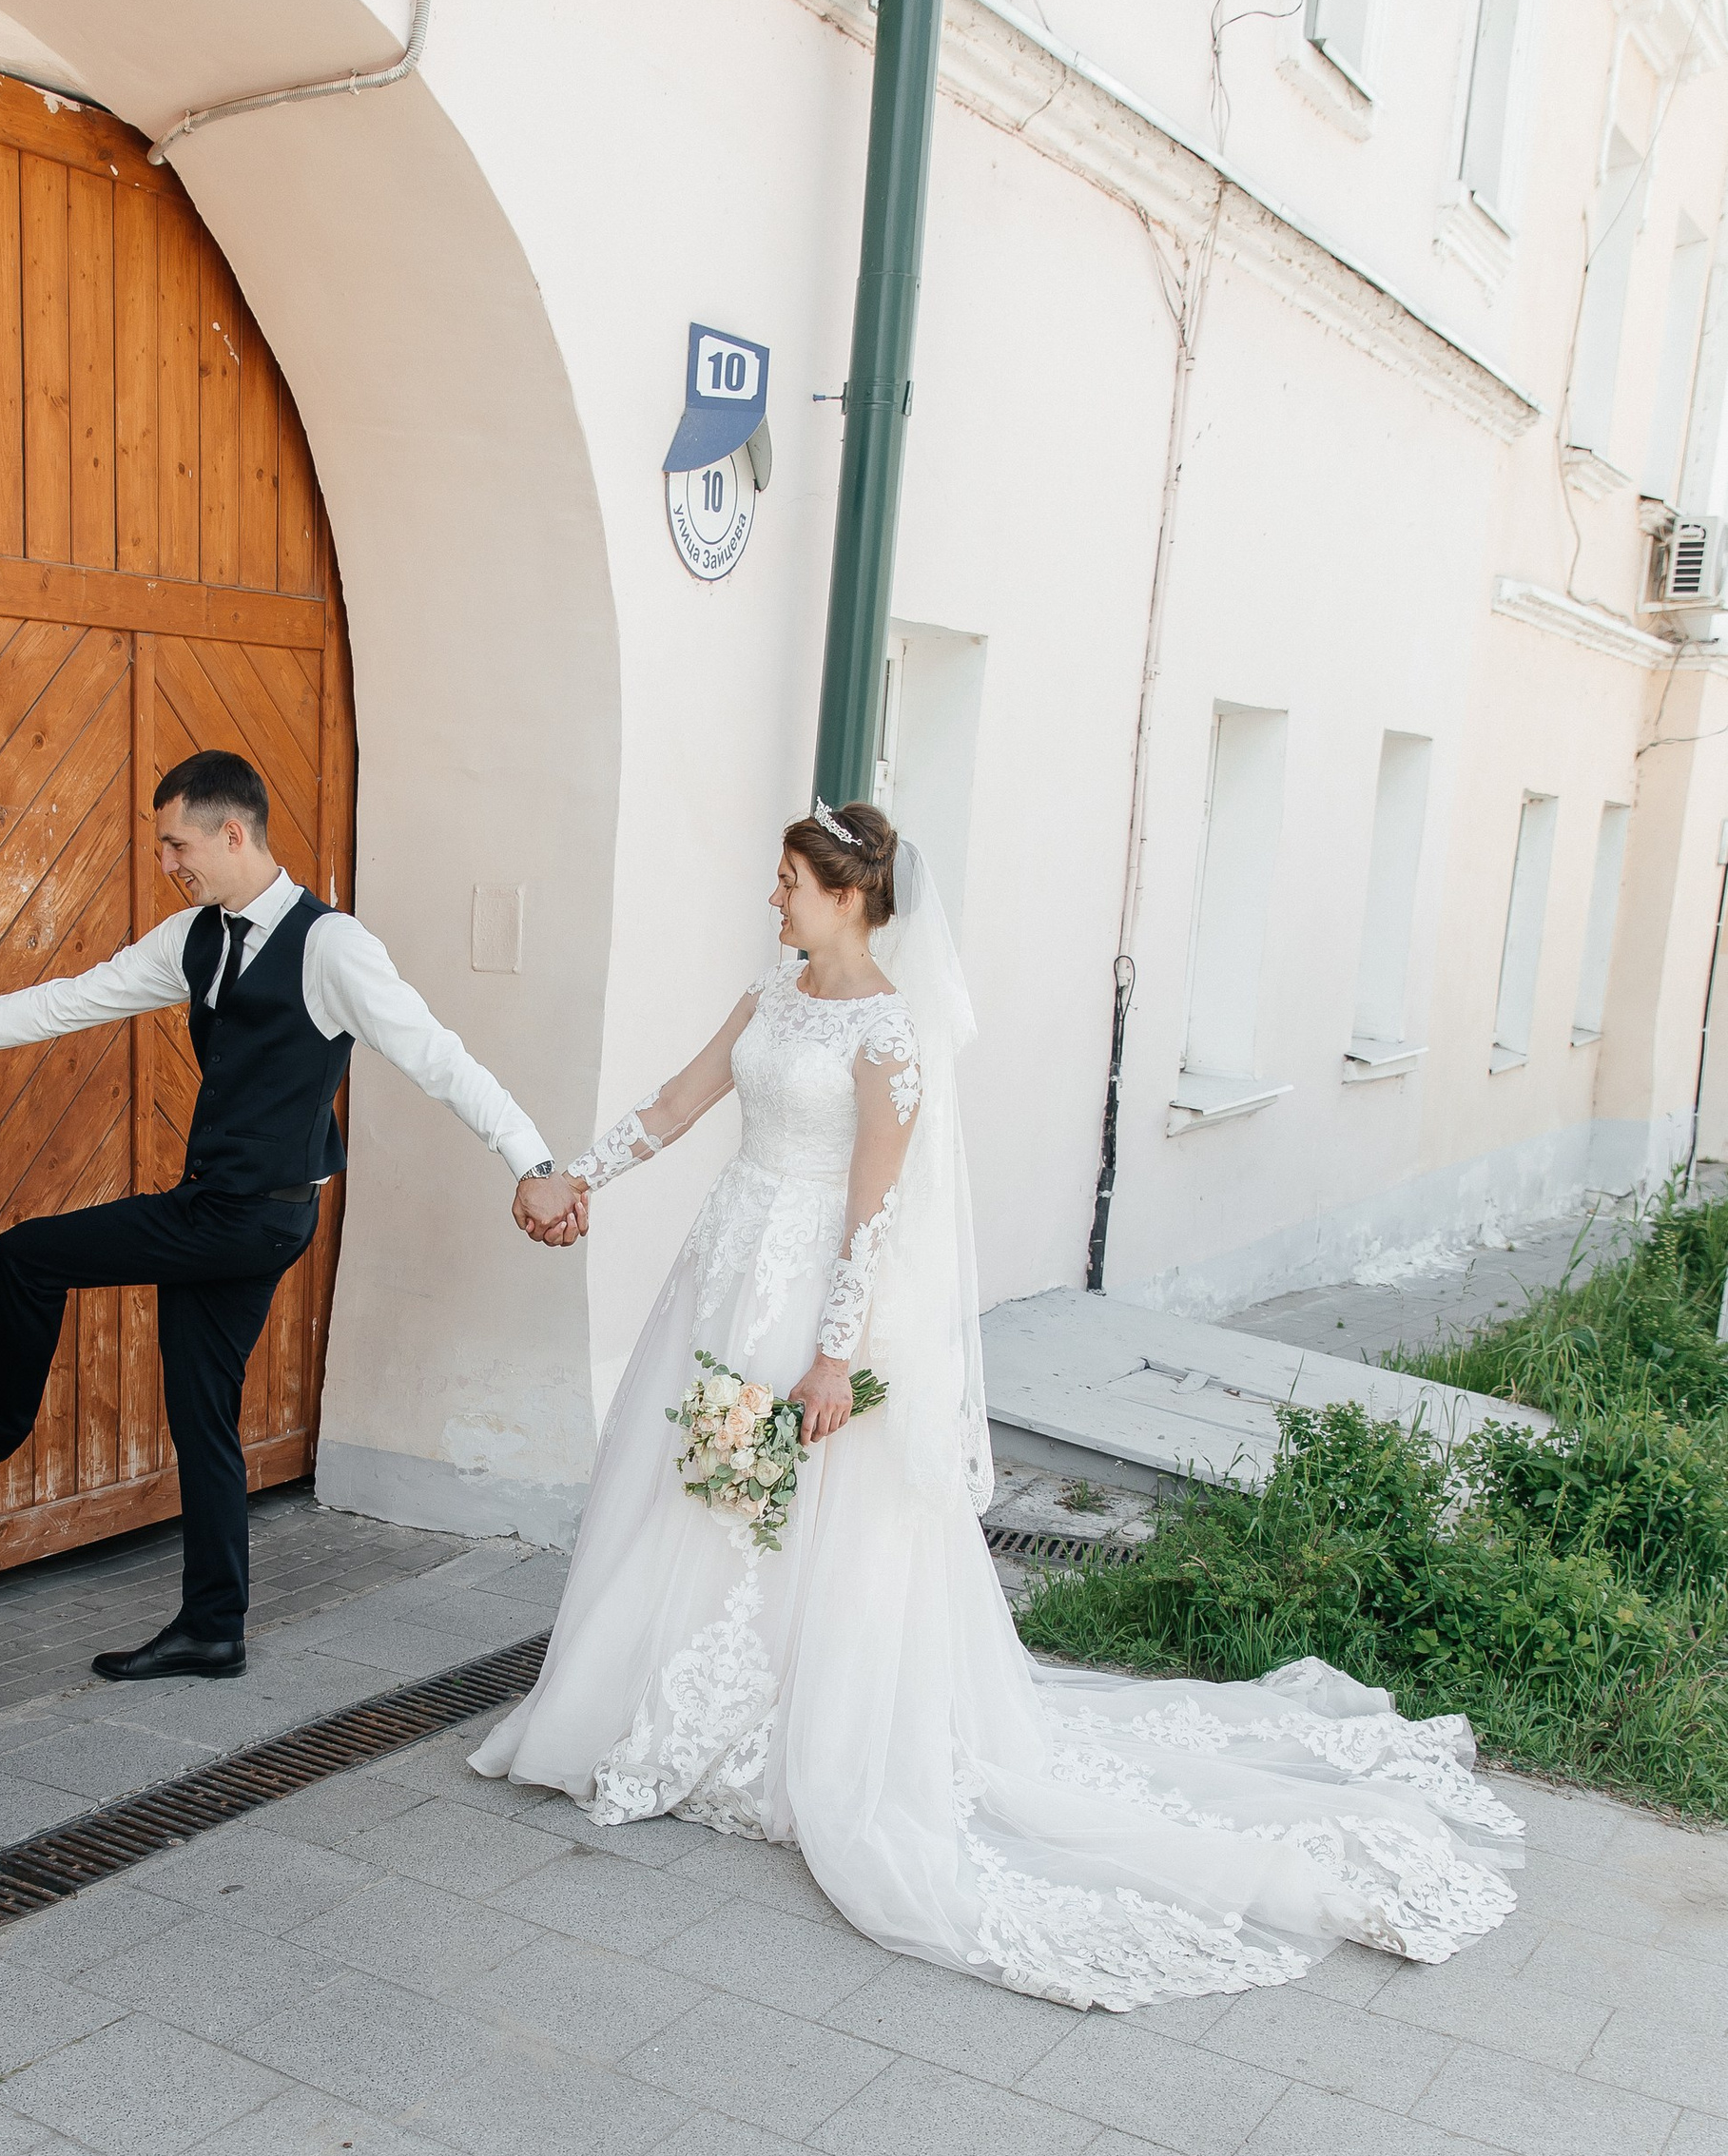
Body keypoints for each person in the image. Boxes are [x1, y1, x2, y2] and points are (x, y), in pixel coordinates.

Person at [475, 801, 1520, 2008]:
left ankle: (779, 1722)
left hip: (810, 1288)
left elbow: (874, 1207)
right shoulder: (773, 993)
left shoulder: (889, 1036)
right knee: (693, 1487)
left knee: (799, 1502)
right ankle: (648, 1703)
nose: (773, 900)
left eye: (788, 884)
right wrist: (571, 1175)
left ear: (850, 895)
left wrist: (831, 1355)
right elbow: (675, 1100)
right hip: (724, 1271)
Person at [0, 748, 584, 1681]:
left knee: (30, 1253)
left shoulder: (332, 948)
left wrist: (534, 1163)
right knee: (203, 1417)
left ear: (234, 833)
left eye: (176, 843)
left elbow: (440, 1057)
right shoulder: (194, 938)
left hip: (249, 1215)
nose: (168, 862)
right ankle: (212, 1627)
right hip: (226, 1212)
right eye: (161, 848)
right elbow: (68, 1002)